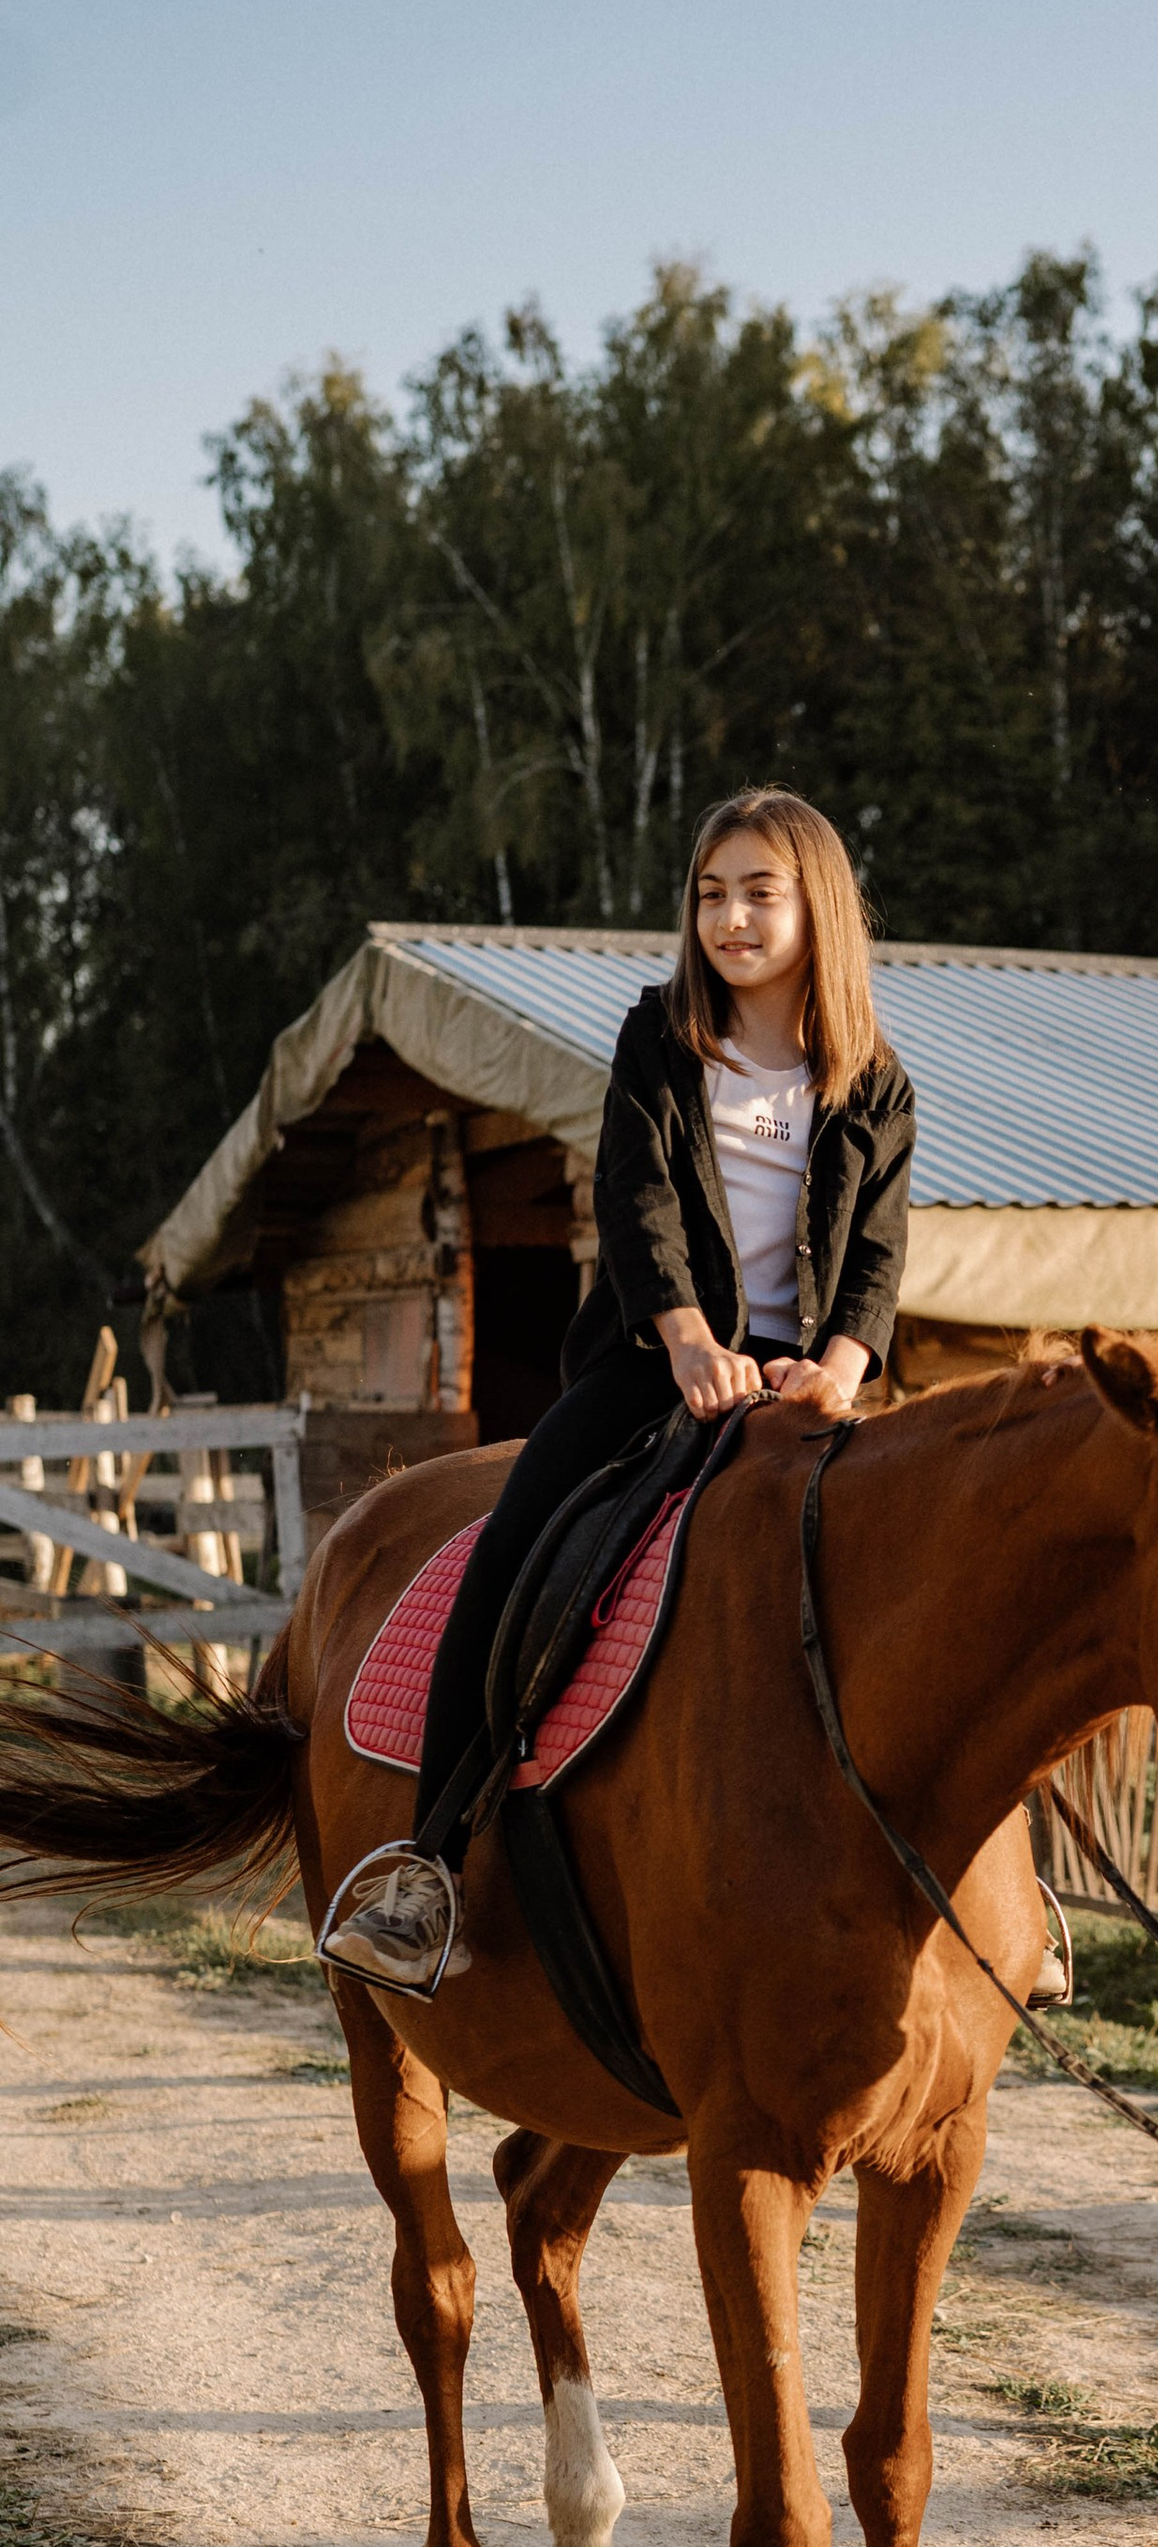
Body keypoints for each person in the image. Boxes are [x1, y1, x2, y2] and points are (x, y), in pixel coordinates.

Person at [324, 787, 914, 1992]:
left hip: (813, 1386)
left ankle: (1005, 1894)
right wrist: (693, 1343)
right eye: (711, 894)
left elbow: (878, 1260)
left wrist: (839, 1369)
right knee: (510, 1555)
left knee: (951, 1564)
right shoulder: (659, 1038)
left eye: (760, 892)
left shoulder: (877, 1083)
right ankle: (423, 1870)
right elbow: (634, 1201)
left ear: (821, 908)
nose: (732, 917)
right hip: (655, 1369)